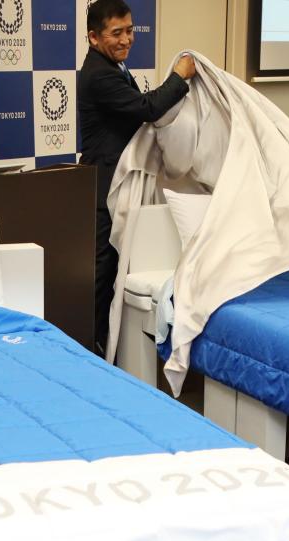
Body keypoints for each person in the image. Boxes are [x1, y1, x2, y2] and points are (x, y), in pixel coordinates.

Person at [78, 0, 195, 355]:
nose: (126, 39)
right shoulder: (99, 74)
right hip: (105, 186)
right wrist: (179, 77)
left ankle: (110, 348)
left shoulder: (111, 66)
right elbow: (147, 108)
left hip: (116, 183)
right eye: (117, 33)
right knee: (102, 273)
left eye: (129, 30)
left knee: (114, 269)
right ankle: (93, 350)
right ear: (94, 37)